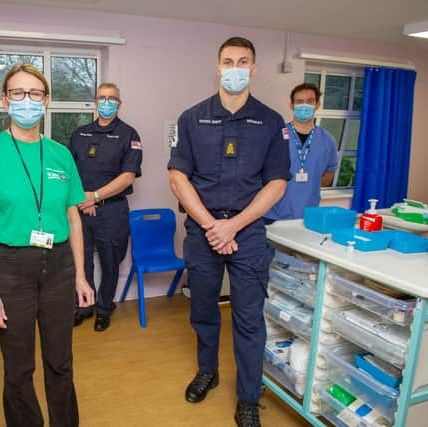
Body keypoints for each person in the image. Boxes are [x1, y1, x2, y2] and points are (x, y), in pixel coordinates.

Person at [0, 63, 95, 427]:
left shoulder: (60, 155)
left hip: (60, 265)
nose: (27, 101)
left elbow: (73, 219)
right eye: (18, 93)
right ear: (5, 100)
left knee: (60, 361)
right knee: (19, 366)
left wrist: (81, 276)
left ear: (46, 101)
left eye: (35, 94)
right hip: (10, 267)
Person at [168, 37, 291, 427]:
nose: (235, 67)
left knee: (249, 317)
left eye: (243, 62)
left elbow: (277, 183)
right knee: (203, 309)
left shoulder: (271, 122)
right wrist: (210, 225)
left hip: (249, 232)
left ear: (254, 69)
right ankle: (208, 371)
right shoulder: (191, 117)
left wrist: (233, 225)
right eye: (228, 61)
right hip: (203, 231)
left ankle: (249, 397)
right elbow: (177, 177)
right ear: (217, 67)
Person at [69, 83, 143, 332]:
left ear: (119, 104)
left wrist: (96, 197)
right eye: (102, 97)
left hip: (111, 211)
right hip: (80, 209)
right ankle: (83, 306)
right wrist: (84, 199)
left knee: (111, 262)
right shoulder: (79, 134)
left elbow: (128, 177)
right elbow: (70, 172)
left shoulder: (129, 135)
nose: (107, 102)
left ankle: (103, 309)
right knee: (81, 261)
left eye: (112, 98)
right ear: (95, 102)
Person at [265, 83, 338, 221]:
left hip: (308, 215)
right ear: (291, 105)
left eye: (310, 101)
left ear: (317, 104)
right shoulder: (276, 135)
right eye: (299, 102)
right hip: (273, 215)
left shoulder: (327, 140)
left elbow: (328, 176)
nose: (304, 106)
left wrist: (306, 185)